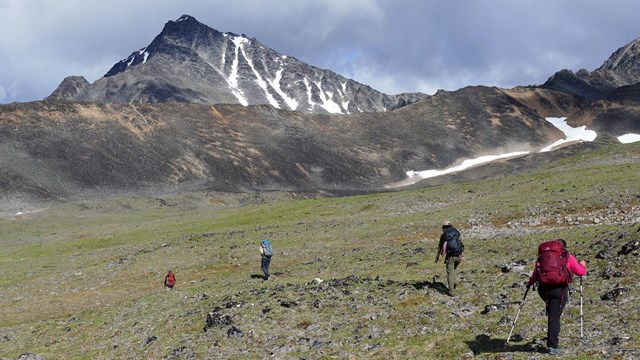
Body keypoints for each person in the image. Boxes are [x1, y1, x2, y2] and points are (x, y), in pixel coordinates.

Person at [527, 239, 587, 355]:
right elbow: (580, 272)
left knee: (552, 313)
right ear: (564, 247)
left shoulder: (544, 257)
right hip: (558, 290)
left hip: (543, 290)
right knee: (554, 317)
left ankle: (552, 339)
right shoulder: (566, 256)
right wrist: (583, 265)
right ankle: (552, 346)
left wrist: (529, 283)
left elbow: (536, 273)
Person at [435, 221, 464, 296]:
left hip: (450, 256)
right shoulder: (457, 232)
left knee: (450, 273)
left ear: (443, 227)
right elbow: (461, 243)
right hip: (458, 255)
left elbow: (440, 247)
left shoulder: (444, 235)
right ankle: (454, 283)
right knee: (454, 269)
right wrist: (461, 255)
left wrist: (437, 257)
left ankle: (451, 291)